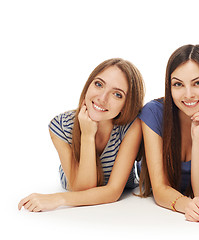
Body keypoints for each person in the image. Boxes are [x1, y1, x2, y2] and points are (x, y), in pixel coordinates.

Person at [18, 58, 145, 212]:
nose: (102, 98)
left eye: (117, 94)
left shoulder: (131, 126)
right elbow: (82, 189)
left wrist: (58, 198)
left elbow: (113, 192)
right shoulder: (60, 126)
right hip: (76, 186)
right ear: (88, 85)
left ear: (127, 105)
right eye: (98, 84)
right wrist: (87, 135)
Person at [138, 44, 199, 222]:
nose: (188, 94)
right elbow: (160, 189)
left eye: (198, 83)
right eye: (178, 84)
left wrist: (198, 137)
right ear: (169, 87)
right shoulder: (153, 113)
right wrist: (186, 205)